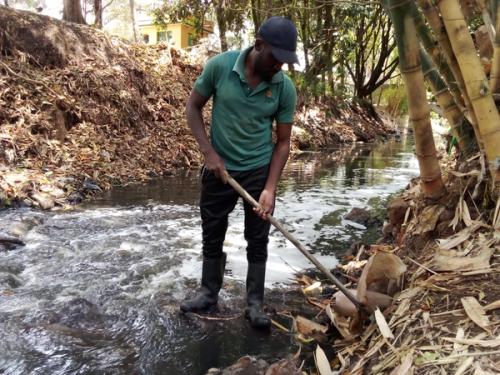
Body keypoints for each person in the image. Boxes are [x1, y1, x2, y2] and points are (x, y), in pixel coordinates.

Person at [180, 16, 298, 330]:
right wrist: (209, 153)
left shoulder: (284, 87)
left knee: (257, 238)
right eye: (276, 58)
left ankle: (255, 304)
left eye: (285, 62)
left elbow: (283, 142)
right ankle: (208, 294)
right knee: (212, 231)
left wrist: (270, 188)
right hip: (219, 169)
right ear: (259, 45)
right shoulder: (220, 67)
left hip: (258, 170)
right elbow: (193, 108)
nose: (279, 67)